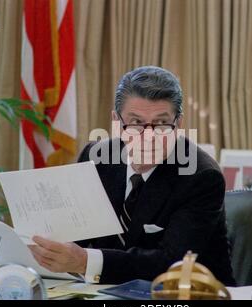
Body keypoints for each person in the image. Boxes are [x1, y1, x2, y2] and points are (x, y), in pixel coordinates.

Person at [29, 66, 236, 286]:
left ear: (179, 124)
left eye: (161, 124)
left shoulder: (201, 176)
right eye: (136, 123)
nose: (148, 137)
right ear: (116, 122)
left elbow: (171, 263)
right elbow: (74, 236)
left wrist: (85, 261)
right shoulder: (96, 159)